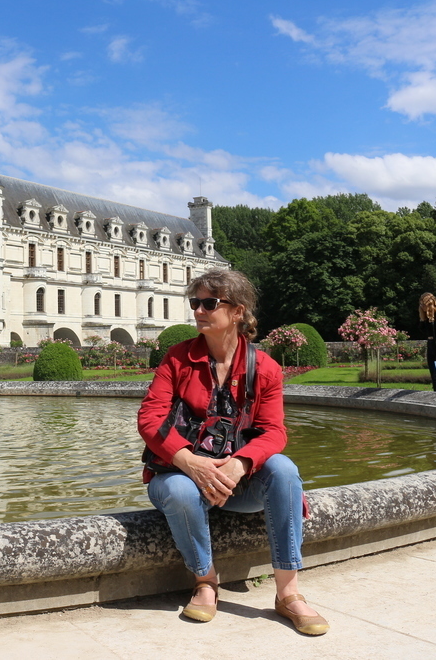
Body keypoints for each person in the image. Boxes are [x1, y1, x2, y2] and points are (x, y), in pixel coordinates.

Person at [138, 268, 328, 635]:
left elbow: (274, 432)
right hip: (177, 476)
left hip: (235, 482)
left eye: (209, 303)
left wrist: (241, 464)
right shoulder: (177, 358)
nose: (198, 311)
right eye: (195, 303)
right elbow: (150, 419)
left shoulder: (265, 368)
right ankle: (206, 582)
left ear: (237, 311)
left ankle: (288, 594)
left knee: (284, 471)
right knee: (179, 490)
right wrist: (188, 461)